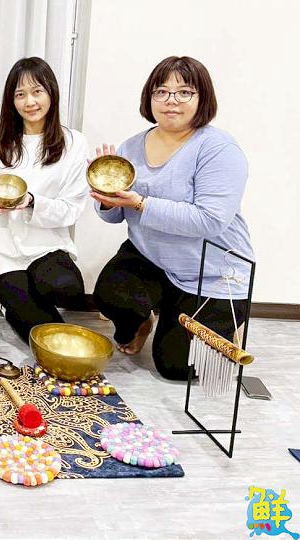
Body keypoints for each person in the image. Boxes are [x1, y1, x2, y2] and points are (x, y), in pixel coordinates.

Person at [91, 56, 254, 380]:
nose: (171, 100)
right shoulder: (131, 146)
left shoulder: (218, 149)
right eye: (161, 91)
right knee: (110, 295)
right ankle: (147, 320)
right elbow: (116, 215)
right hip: (152, 257)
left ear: (202, 98)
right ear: (149, 97)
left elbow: (210, 220)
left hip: (211, 272)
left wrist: (141, 204)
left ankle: (226, 322)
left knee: (176, 367)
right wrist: (106, 200)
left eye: (184, 92)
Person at [0, 57, 89, 343]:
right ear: (11, 101)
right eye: (20, 94)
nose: (29, 102)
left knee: (65, 288)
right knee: (45, 335)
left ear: (51, 93)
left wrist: (32, 201)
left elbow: (71, 209)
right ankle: (10, 301)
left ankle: (12, 298)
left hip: (45, 244)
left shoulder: (73, 143)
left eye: (37, 92)